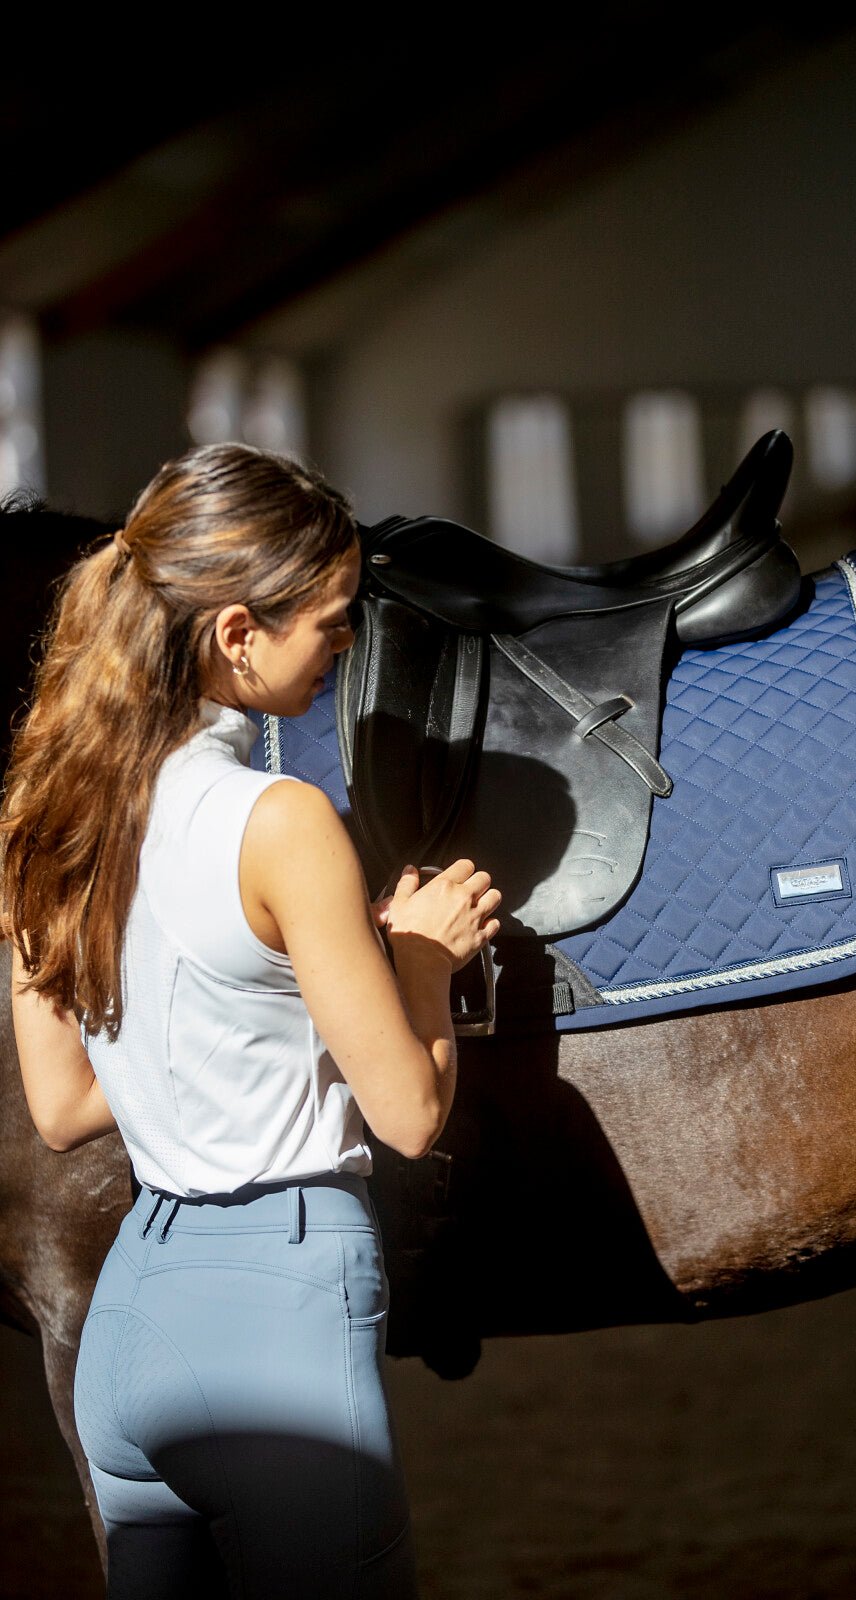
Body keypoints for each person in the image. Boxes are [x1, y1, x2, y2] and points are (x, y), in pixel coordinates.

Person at [1, 442, 500, 1599]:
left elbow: (67, 1107)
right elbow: (412, 1115)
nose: (341, 645)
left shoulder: (45, 814)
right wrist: (420, 957)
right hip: (277, 1323)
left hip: (129, 1326)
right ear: (235, 632)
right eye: (328, 622)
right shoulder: (281, 821)